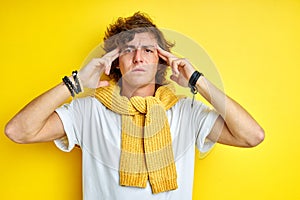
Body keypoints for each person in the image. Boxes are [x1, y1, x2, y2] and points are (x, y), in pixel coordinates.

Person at [5, 12, 264, 200]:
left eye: (149, 50)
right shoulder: (89, 111)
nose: (138, 57)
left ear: (161, 61)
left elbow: (252, 136)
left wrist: (196, 80)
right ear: (116, 61)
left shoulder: (186, 112)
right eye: (128, 49)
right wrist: (76, 84)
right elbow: (18, 131)